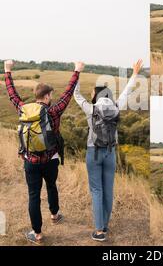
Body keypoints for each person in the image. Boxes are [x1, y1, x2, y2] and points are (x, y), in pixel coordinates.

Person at [4, 59, 84, 244]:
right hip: (50, 159)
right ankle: (55, 215)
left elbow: (12, 94)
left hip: (30, 161)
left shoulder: (23, 109)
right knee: (51, 185)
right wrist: (76, 71)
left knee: (33, 195)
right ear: (47, 96)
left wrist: (7, 71)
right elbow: (68, 93)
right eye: (51, 96)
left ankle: (37, 234)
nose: (52, 98)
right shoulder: (54, 111)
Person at [73, 59, 143, 242]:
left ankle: (99, 231)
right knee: (108, 190)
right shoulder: (116, 106)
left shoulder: (91, 108)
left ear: (96, 95)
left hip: (93, 153)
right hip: (111, 153)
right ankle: (105, 224)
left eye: (92, 93)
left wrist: (77, 72)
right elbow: (127, 92)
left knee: (96, 190)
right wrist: (135, 73)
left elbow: (76, 94)